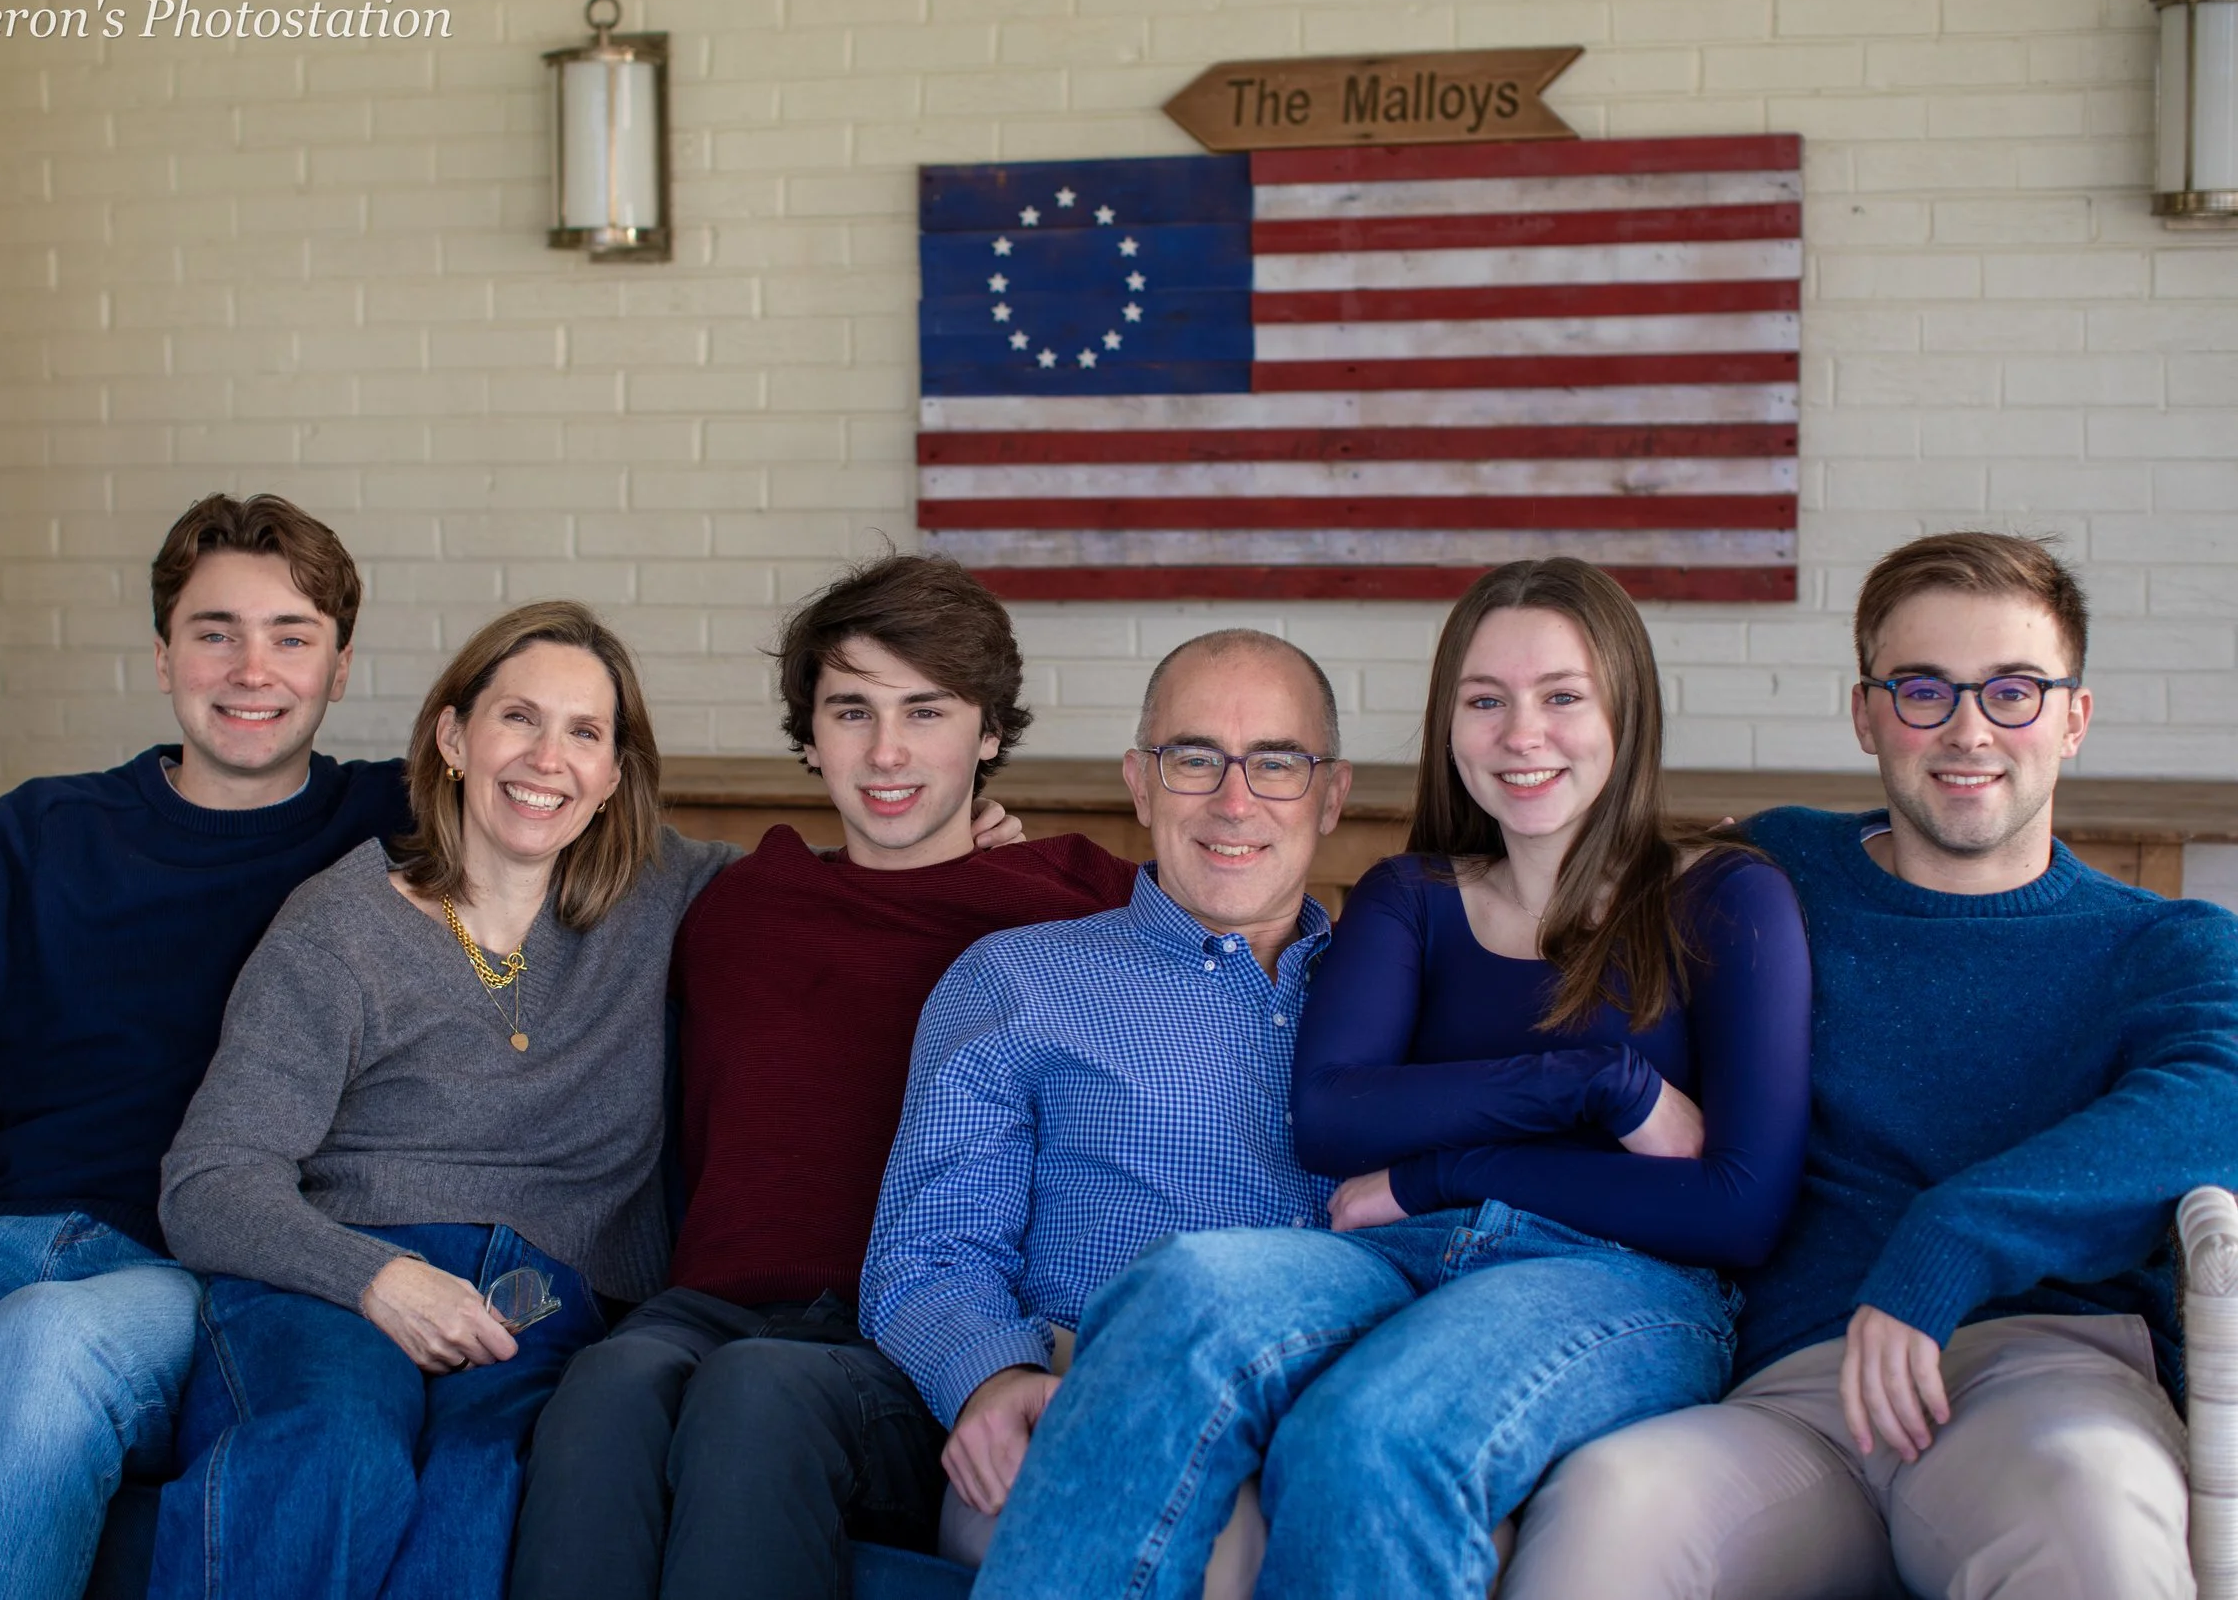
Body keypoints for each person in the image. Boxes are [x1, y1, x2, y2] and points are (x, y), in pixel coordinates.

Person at [150, 592, 1024, 1600]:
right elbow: (209, 1180)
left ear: (613, 775)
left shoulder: (669, 894)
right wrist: (377, 1277)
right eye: (518, 717)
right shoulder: (339, 927)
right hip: (341, 1278)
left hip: (539, 1302)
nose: (546, 759)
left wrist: (970, 843)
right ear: (453, 737)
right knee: (334, 1452)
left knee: (485, 1486)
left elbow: (854, 885)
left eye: (583, 733)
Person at [972, 557, 1813, 1600]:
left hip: (1621, 1279)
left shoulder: (1725, 896)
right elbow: (1331, 1115)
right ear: (1448, 723)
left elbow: (1737, 1210)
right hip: (1401, 1251)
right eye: (1485, 700)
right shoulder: (1411, 894)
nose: (1522, 733)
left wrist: (1436, 1171)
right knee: (1183, 1288)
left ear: (1625, 712)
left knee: (1375, 1427)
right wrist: (1599, 1081)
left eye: (1561, 696)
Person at [1502, 531, 2238, 1600]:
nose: (1968, 729)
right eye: (1923, 689)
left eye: (2014, 691)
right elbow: (1567, 950)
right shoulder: (1775, 873)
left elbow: (2213, 1103)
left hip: (2043, 1373)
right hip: (1799, 1391)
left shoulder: (2165, 945)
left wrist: (1949, 1238)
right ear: (1865, 714)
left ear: (2074, 717)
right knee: (1612, 1503)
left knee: (2093, 1515)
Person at [0, 494, 406, 1600]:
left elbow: (580, 834)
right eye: (215, 633)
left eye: (292, 637)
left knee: (42, 1348)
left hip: (196, 1267)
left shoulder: (394, 830)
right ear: (163, 655)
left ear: (339, 667)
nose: (252, 669)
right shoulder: (48, 830)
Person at [510, 554, 1138, 1600]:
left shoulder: (1079, 904)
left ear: (988, 732)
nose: (887, 751)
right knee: (603, 1383)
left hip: (918, 1338)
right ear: (809, 735)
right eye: (851, 711)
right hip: (710, 1307)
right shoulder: (733, 903)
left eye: (926, 712)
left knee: (757, 1392)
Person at [859, 626, 1354, 1563]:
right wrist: (992, 1380)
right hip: (1084, 1400)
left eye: (1277, 763)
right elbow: (927, 1253)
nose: (1235, 801)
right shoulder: (1017, 979)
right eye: (1194, 759)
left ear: (1331, 795)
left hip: (1339, 1415)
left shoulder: (1401, 996)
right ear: (1140, 782)